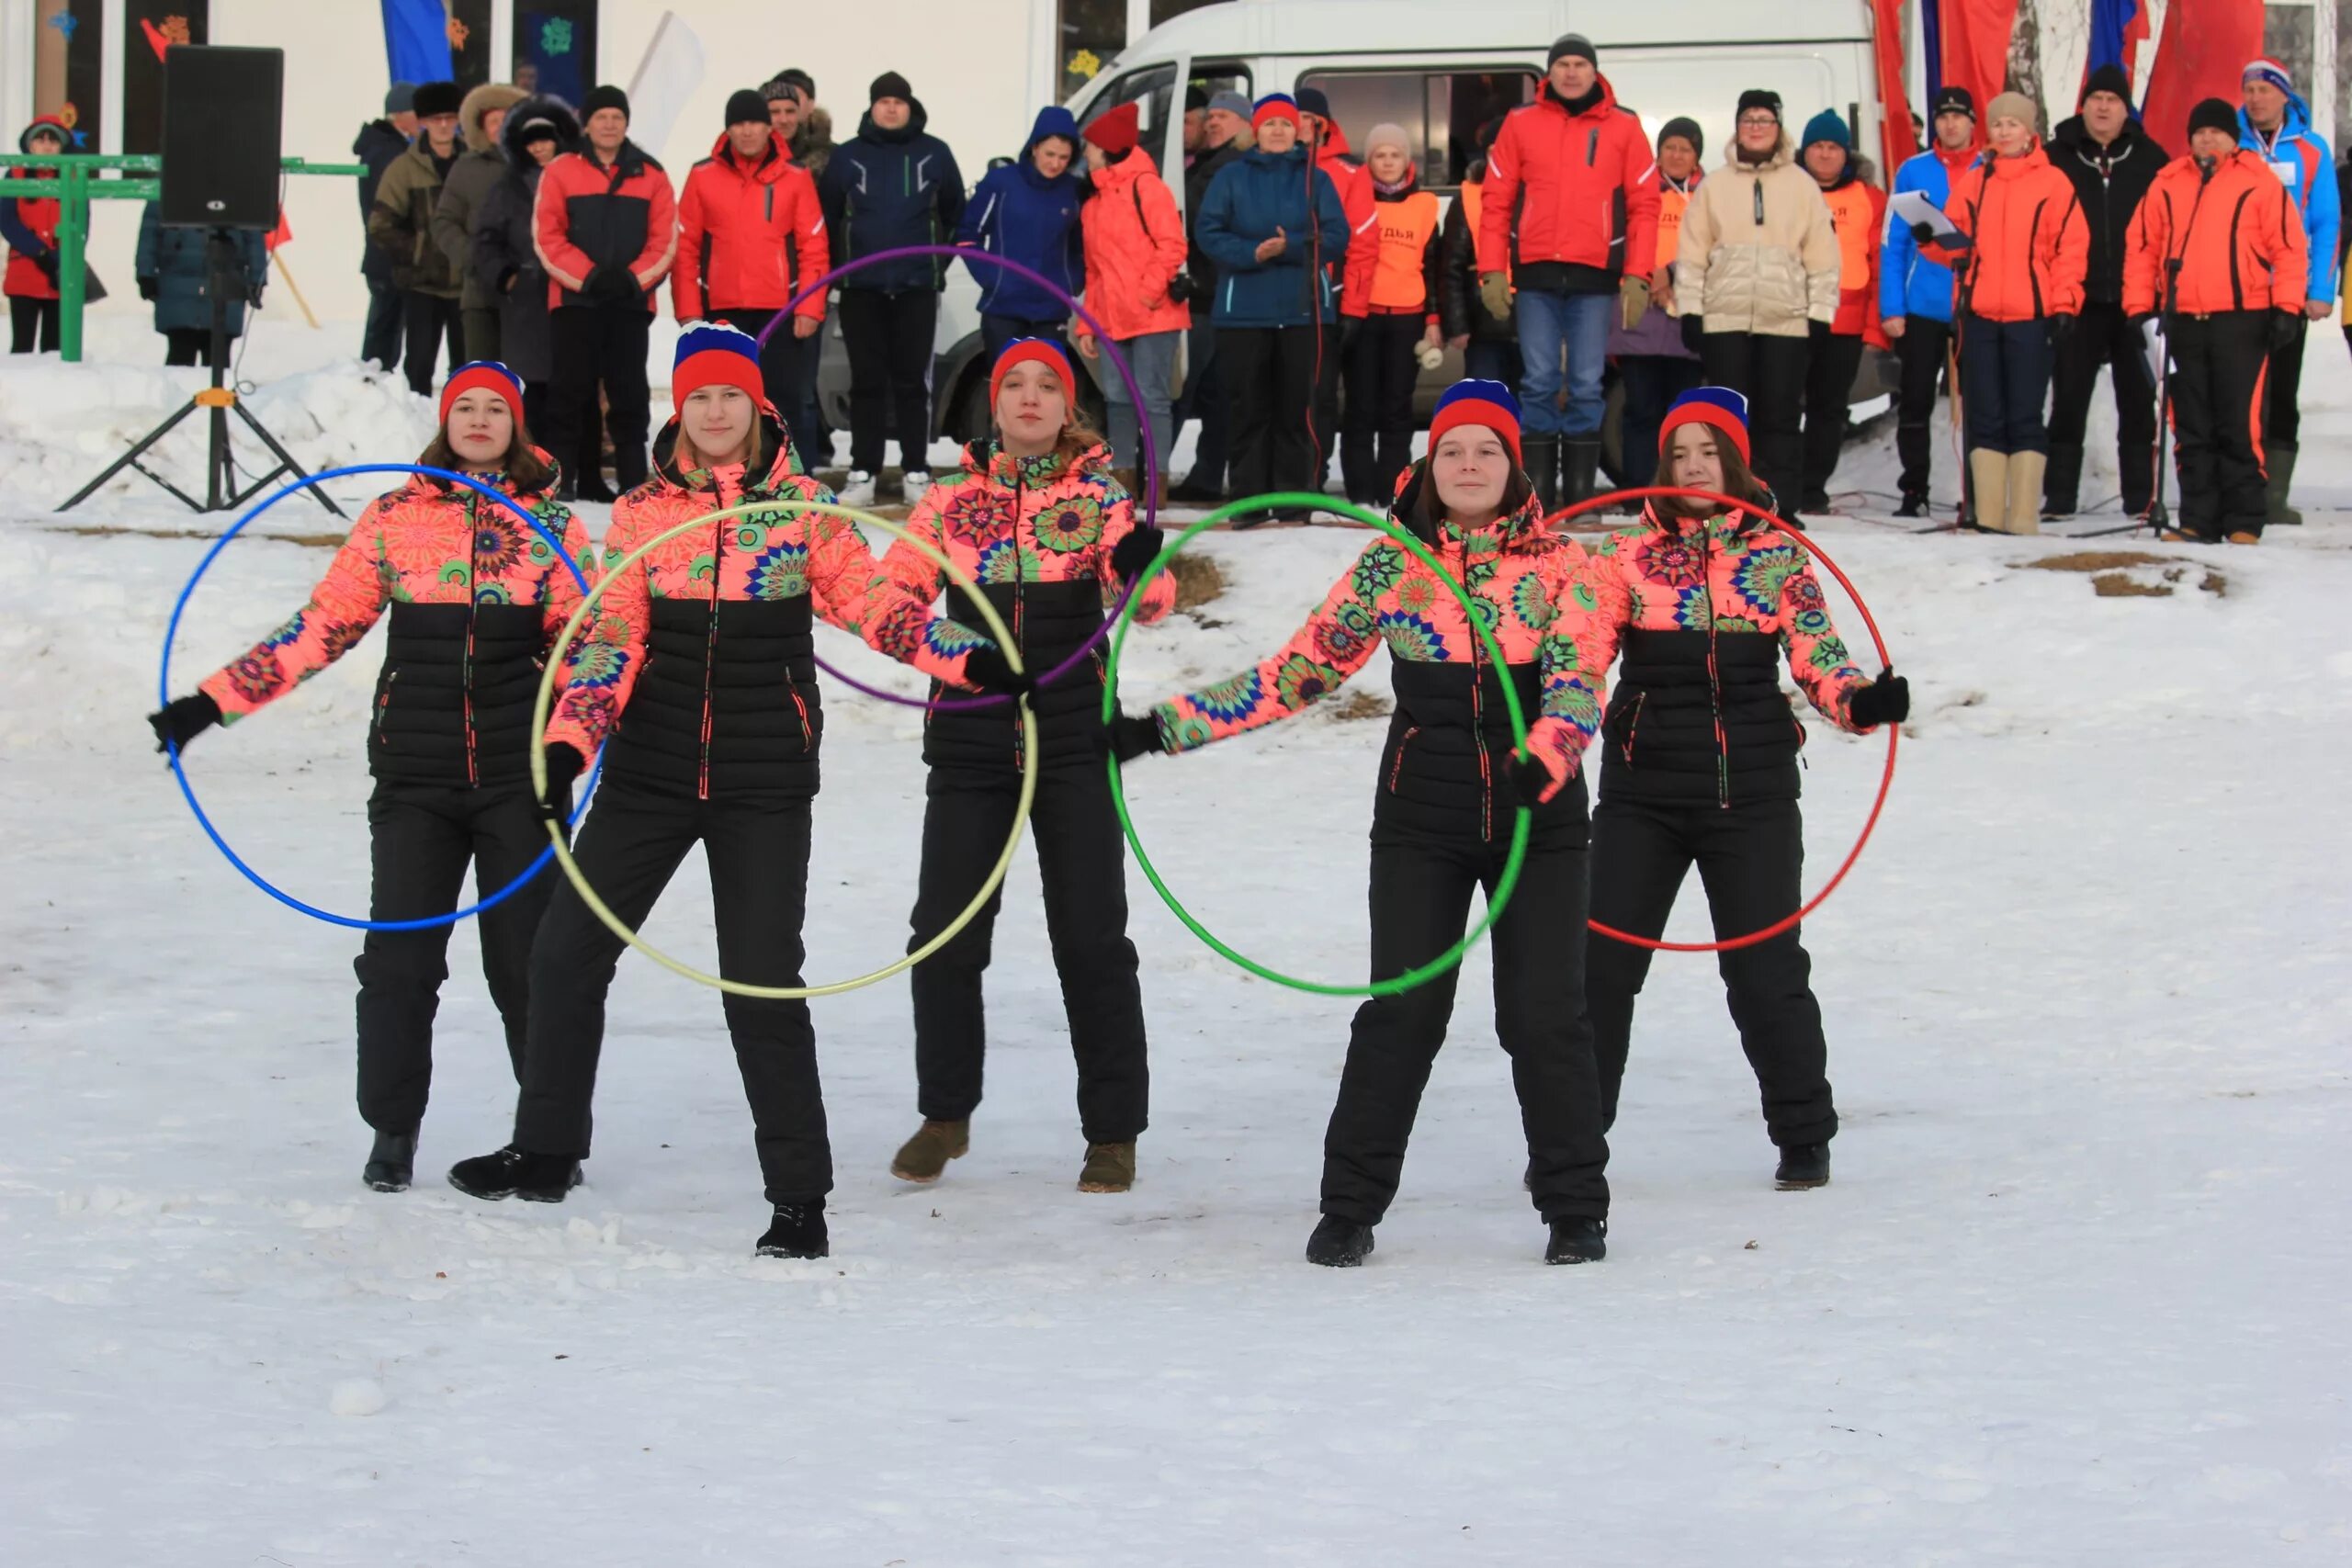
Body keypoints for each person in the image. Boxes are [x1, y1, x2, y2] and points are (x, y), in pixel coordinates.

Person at [444, 325, 981, 1258]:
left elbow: (874, 608)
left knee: (761, 984)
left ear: (758, 406)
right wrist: (570, 746)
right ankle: (545, 1150)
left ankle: (798, 1198)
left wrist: (968, 662)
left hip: (762, 781)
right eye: (700, 397)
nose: (717, 410)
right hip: (649, 776)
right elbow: (611, 638)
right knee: (564, 955)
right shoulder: (647, 513)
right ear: (679, 409)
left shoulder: (802, 509)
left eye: (731, 395)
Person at [1107, 380, 1613, 1267]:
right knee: (1403, 1010)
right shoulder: (1391, 564)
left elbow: (1577, 677)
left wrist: (1549, 751)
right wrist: (1161, 727)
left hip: (1540, 811)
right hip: (1423, 817)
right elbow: (1294, 673)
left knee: (1543, 1016)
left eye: (1486, 450)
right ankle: (1350, 1205)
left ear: (1513, 466)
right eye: (1452, 449)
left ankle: (1574, 1204)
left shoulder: (1564, 565)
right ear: (1428, 465)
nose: (1468, 465)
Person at [146, 361, 591, 1194]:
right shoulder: (393, 519)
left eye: (499, 408)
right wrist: (208, 705)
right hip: (415, 779)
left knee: (529, 964)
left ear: (519, 426)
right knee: (398, 962)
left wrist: (569, 749)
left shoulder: (555, 525)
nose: (483, 419)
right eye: (468, 407)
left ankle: (551, 1134)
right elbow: (320, 628)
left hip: (518, 778)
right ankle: (393, 1126)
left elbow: (588, 651)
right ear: (445, 421)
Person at [1580, 387, 1907, 1190]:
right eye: (1680, 452)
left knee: (1765, 971)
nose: (1694, 466)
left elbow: (1820, 658)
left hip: (1753, 795)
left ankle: (1803, 1131)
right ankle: (1572, 1136)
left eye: (1709, 451)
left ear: (1735, 462)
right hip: (1643, 796)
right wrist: (1547, 744)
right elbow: (1581, 666)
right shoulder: (1622, 558)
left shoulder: (1779, 556)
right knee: (1600, 969)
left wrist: (1862, 702)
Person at [874, 339, 1174, 1195]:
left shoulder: (1098, 497)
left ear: (1070, 404)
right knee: (944, 933)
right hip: (970, 748)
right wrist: (959, 655)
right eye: (1015, 384)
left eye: (1049, 385)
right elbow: (888, 604)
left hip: (1073, 745)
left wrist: (1135, 564)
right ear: (993, 402)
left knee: (1091, 941)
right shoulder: (947, 503)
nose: (1031, 398)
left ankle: (1113, 1132)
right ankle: (945, 1113)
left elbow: (1150, 602)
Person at [1476, 34, 1660, 511]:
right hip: (1535, 276)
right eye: (1563, 64)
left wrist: (1637, 273)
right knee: (1537, 382)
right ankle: (1538, 499)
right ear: (1550, 73)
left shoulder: (1624, 126)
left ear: (1594, 71)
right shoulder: (1521, 123)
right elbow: (1495, 202)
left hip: (1595, 279)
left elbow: (1644, 205)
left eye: (1580, 64)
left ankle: (1577, 501)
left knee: (1585, 385)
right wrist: (1493, 269)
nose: (1572, 72)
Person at [2127, 99, 2310, 545]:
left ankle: (2244, 519)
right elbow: (2143, 248)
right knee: (2191, 423)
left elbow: (2288, 250)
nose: (2207, 140)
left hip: (2241, 321)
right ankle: (2197, 519)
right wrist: (2138, 307)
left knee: (2238, 422)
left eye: (2216, 132)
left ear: (2233, 138)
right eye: (2199, 133)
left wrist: (2287, 308)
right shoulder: (2167, 184)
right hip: (2182, 320)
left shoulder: (2258, 184)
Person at [1675, 89, 1838, 516]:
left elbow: (1823, 257)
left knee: (1781, 417)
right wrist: (1691, 309)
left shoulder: (1802, 186)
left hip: (1785, 320)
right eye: (1749, 119)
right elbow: (1692, 255)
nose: (1756, 128)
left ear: (1779, 128)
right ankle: (1731, 505)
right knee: (1729, 420)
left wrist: (1820, 313)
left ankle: (1779, 506)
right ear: (1737, 126)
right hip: (1724, 320)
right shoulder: (1715, 185)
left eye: (1765, 120)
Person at [1932, 91, 2087, 536]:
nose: (2004, 131)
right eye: (1997, 124)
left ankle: (2022, 518)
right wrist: (1930, 236)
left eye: (2012, 124)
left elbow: (2071, 250)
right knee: (1985, 414)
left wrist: (2064, 303)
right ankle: (1988, 516)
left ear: (2029, 131)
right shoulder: (1975, 182)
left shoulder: (2054, 183)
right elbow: (1952, 247)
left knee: (2024, 413)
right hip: (1979, 315)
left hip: (2031, 315)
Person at [1194, 94, 1351, 522]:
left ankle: (1293, 502)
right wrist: (1251, 252)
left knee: (1295, 410)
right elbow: (1208, 232)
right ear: (1256, 131)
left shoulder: (1315, 179)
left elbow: (1337, 235)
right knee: (1248, 410)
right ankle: (1248, 502)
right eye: (1270, 124)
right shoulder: (1230, 177)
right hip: (1242, 313)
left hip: (1303, 313)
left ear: (1296, 130)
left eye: (1285, 123)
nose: (1279, 131)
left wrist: (1289, 247)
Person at [820, 72, 966, 509]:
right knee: (865, 381)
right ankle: (863, 470)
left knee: (912, 382)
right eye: (883, 101)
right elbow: (827, 218)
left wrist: (935, 264)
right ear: (871, 107)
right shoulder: (848, 157)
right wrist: (840, 270)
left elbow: (956, 213)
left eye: (898, 101)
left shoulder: (934, 154)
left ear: (909, 106)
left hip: (916, 289)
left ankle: (916, 469)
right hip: (861, 288)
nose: (891, 108)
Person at [532, 84, 675, 502]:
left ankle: (633, 485)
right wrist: (589, 276)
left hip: (629, 305)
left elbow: (665, 240)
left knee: (629, 396)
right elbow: (547, 236)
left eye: (617, 117)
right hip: (575, 304)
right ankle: (562, 484)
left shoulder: (651, 173)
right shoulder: (560, 171)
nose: (609, 124)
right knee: (568, 396)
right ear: (587, 123)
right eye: (601, 117)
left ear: (626, 122)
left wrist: (632, 279)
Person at [672, 89, 830, 450]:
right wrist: (690, 311)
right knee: (727, 401)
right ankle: (732, 478)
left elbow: (815, 247)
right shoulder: (702, 175)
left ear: (768, 128)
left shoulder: (795, 176)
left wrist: (808, 307)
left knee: (787, 399)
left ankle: (796, 480)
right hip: (721, 311)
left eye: (755, 123)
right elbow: (685, 248)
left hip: (783, 311)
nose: (747, 132)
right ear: (728, 130)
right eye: (738, 124)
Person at [2041, 66, 2166, 521]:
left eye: (2112, 100)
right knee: (2068, 400)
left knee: (2137, 404)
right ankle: (2058, 499)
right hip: (2077, 300)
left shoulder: (2152, 159)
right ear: (2083, 104)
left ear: (2125, 107)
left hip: (2136, 301)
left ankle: (2139, 500)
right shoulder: (2056, 157)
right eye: (2095, 98)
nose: (2102, 107)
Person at [2238, 58, 2339, 526]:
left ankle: (2274, 496)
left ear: (2284, 95)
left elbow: (2325, 223)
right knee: (2239, 394)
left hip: (2289, 293)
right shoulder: (2230, 143)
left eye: (2264, 89)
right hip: (2235, 292)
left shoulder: (2311, 149)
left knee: (2281, 393)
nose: (2255, 98)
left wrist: (2320, 289)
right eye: (2249, 90)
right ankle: (2241, 488)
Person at [1073, 103, 1191, 500]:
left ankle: (1156, 487)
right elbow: (1094, 271)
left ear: (1107, 147)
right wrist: (1088, 323)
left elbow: (1173, 245)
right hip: (1110, 318)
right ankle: (1121, 485)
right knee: (1118, 401)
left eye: (1090, 145)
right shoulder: (1092, 204)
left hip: (1154, 316)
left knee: (1152, 399)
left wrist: (1146, 293)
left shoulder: (1148, 187)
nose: (1084, 151)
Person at [1881, 87, 1979, 517]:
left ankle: (1978, 492)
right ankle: (1914, 489)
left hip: (1977, 305)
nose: (1951, 124)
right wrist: (1892, 307)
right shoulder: (1912, 170)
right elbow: (1893, 242)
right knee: (1916, 399)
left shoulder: (1989, 167)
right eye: (1943, 117)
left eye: (1959, 117)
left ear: (1972, 122)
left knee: (1980, 401)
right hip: (1922, 305)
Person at [1339, 122, 1442, 506]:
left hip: (1408, 317)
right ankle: (1360, 492)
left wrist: (1434, 319)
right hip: (1363, 315)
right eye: (1379, 155)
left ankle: (1393, 490)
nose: (1387, 162)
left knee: (1398, 408)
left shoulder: (1425, 205)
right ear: (1368, 162)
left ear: (1407, 161)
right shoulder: (1354, 201)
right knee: (1360, 406)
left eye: (1394, 154)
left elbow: (1433, 266)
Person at [1604, 117, 1704, 492]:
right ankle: (1639, 489)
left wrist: (1675, 274)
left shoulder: (1708, 194)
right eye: (1670, 147)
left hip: (1688, 314)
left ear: (1696, 156)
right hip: (1640, 311)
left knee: (1682, 413)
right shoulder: (1635, 189)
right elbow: (1619, 238)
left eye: (1686, 148)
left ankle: (1680, 490)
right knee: (1640, 408)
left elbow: (1715, 244)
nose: (1677, 155)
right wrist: (1651, 280)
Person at [471, 97, 579, 448]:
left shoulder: (579, 180)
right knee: (530, 388)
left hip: (571, 292)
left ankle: (567, 465)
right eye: (532, 141)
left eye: (546, 139)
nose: (539, 148)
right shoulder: (507, 187)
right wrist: (505, 276)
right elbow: (486, 240)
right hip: (526, 298)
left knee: (569, 385)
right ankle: (531, 461)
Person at [1796, 109, 1886, 515]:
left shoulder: (1869, 198)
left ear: (1845, 153)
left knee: (1828, 408)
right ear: (1805, 151)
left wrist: (1875, 329)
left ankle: (1813, 487)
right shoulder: (1788, 190)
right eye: (1818, 146)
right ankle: (1776, 483)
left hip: (1845, 322)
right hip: (1790, 316)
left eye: (1833, 147)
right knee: (1779, 406)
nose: (1826, 155)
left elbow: (1880, 265)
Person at [1170, 89, 1251, 503]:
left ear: (1243, 123)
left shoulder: (1227, 167)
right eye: (1211, 116)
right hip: (1214, 294)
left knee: (1181, 390)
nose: (1213, 122)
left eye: (1223, 116)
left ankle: (1154, 473)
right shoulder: (1211, 163)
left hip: (1207, 294)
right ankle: (1205, 475)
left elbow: (1205, 226)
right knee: (1216, 396)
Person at [956, 106, 1085, 357]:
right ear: (1034, 147)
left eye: (1063, 157)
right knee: (1008, 387)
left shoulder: (1074, 190)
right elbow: (967, 235)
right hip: (1005, 309)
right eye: (1049, 154)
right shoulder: (1001, 182)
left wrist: (1073, 281)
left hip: (1052, 310)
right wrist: (993, 278)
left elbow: (1082, 245)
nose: (1055, 163)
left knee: (1047, 388)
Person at [368, 80, 469, 398]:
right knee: (419, 365)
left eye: (450, 118)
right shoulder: (403, 169)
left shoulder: (474, 165)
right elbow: (381, 225)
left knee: (469, 368)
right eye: (435, 119)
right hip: (422, 284)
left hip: (468, 283)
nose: (443, 126)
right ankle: (417, 431)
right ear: (422, 122)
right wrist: (419, 252)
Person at [1295, 86, 1368, 485]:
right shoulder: (1280, 167)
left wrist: (1353, 307)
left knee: (1322, 397)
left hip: (1330, 301)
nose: (1302, 127)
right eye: (1297, 119)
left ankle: (1314, 476)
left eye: (1310, 119)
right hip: (1285, 302)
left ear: (1323, 125)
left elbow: (1361, 245)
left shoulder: (1350, 172)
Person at [432, 83, 527, 366]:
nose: (500, 127)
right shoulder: (466, 168)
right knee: (484, 378)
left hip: (532, 296)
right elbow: (444, 222)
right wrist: (473, 257)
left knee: (531, 383)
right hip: (480, 294)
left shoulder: (542, 166)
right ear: (482, 128)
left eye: (506, 119)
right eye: (492, 121)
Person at [1439, 125, 1521, 392]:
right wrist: (1457, 326)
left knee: (1531, 409)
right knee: (1484, 404)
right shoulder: (1467, 199)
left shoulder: (1539, 196)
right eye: (1496, 150)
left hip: (1531, 321)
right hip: (1481, 326)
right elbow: (1450, 268)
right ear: (1487, 154)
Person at [134, 205, 266, 367]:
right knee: (182, 356)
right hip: (183, 290)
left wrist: (257, 280)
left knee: (214, 362)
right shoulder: (169, 186)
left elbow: (254, 237)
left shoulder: (240, 188)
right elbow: (150, 232)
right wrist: (145, 274)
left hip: (221, 287)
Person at [356, 83, 416, 376]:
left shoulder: (386, 147)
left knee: (388, 326)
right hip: (389, 255)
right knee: (384, 330)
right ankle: (371, 384)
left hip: (388, 255)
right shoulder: (387, 152)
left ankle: (376, 381)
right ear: (401, 115)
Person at [3, 116, 68, 354]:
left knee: (54, 349)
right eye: (40, 139)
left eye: (54, 140)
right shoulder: (15, 175)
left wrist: (59, 258)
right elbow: (7, 220)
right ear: (30, 146)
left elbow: (80, 223)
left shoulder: (72, 177)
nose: (47, 145)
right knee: (22, 347)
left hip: (60, 273)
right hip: (24, 271)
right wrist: (37, 251)